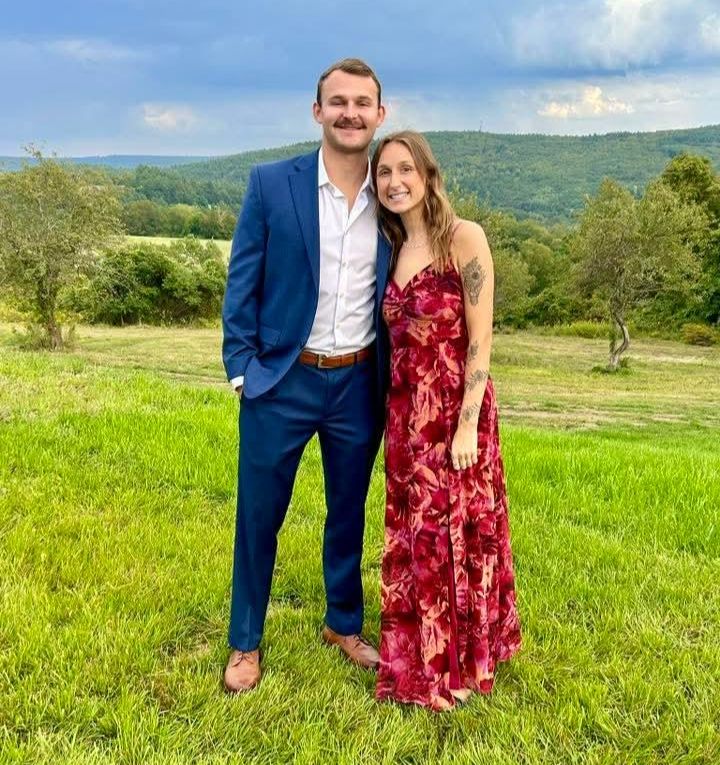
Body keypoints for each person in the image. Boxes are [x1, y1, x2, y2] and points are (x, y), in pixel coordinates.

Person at [221, 58, 390, 693]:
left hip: (358, 383)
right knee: (258, 516)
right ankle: (245, 641)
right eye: (338, 101)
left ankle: (343, 624)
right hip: (281, 380)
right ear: (317, 111)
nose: (351, 113)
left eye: (362, 103)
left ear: (380, 114)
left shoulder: (393, 193)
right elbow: (242, 280)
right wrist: (242, 370)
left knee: (348, 511)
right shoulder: (272, 183)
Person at [371, 131, 521, 711]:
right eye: (384, 172)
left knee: (457, 537)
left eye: (405, 168)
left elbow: (481, 341)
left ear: (429, 175)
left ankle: (457, 666)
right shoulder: (390, 246)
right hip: (405, 418)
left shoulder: (464, 238)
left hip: (457, 415)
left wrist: (466, 425)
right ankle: (418, 654)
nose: (395, 182)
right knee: (417, 538)